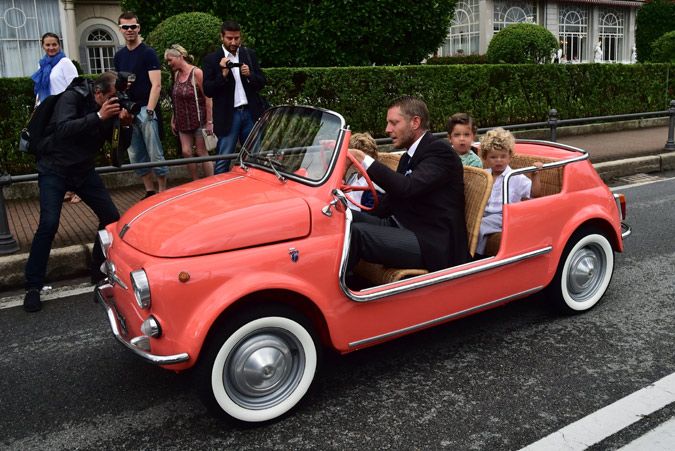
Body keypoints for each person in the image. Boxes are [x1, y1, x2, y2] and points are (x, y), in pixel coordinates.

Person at [23, 72, 130, 312]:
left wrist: (125, 124)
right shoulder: (72, 97)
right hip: (55, 167)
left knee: (111, 218)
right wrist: (99, 116)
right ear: (98, 93)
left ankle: (98, 270)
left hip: (83, 169)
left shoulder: (110, 108)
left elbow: (118, 151)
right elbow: (63, 129)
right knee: (49, 224)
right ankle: (32, 286)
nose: (117, 101)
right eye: (113, 96)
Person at [346, 96, 470, 275]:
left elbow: (406, 187)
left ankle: (332, 294)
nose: (387, 129)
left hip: (433, 241)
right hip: (404, 225)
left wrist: (362, 158)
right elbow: (392, 198)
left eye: (394, 123)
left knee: (357, 233)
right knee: (344, 219)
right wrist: (346, 207)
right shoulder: (408, 156)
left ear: (415, 122)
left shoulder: (440, 152)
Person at [114, 11, 168, 198]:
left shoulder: (148, 53)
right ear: (120, 29)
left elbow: (157, 84)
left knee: (155, 152)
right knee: (135, 154)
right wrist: (122, 108)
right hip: (128, 110)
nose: (130, 30)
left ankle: (162, 190)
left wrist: (150, 111)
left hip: (146, 108)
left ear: (139, 28)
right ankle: (149, 191)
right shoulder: (119, 55)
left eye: (133, 26)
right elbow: (117, 87)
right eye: (125, 27)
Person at [202, 20, 266, 174]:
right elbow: (208, 90)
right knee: (223, 159)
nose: (233, 42)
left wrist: (250, 74)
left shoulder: (248, 55)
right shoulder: (212, 59)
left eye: (236, 38)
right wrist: (223, 75)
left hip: (250, 112)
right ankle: (220, 194)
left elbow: (262, 82)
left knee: (253, 158)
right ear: (221, 37)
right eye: (229, 38)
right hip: (228, 115)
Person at [31, 32, 82, 204]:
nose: (51, 48)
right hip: (48, 114)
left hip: (64, 112)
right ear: (43, 46)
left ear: (59, 45)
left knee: (70, 151)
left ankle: (78, 190)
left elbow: (76, 87)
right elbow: (41, 90)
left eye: (54, 44)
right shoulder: (43, 65)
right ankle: (67, 189)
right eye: (48, 45)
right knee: (57, 153)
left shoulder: (65, 63)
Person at [475, 128, 542, 256]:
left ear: (510, 156)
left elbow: (535, 194)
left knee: (480, 226)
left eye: (503, 156)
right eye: (493, 157)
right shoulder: (485, 175)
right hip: (484, 213)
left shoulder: (515, 176)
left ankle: (476, 256)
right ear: (485, 158)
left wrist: (535, 175)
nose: (498, 160)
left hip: (504, 215)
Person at [165, 44, 214, 180]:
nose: (169, 64)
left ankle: (210, 181)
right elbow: (176, 98)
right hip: (182, 120)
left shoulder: (197, 73)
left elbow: (208, 98)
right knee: (186, 152)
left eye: (170, 60)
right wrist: (173, 117)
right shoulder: (176, 75)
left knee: (201, 151)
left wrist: (209, 122)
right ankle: (195, 181)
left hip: (198, 119)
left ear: (180, 57)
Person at [345, 132, 384, 211]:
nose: (359, 163)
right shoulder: (353, 176)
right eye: (355, 159)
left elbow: (371, 213)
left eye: (362, 159)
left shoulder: (374, 185)